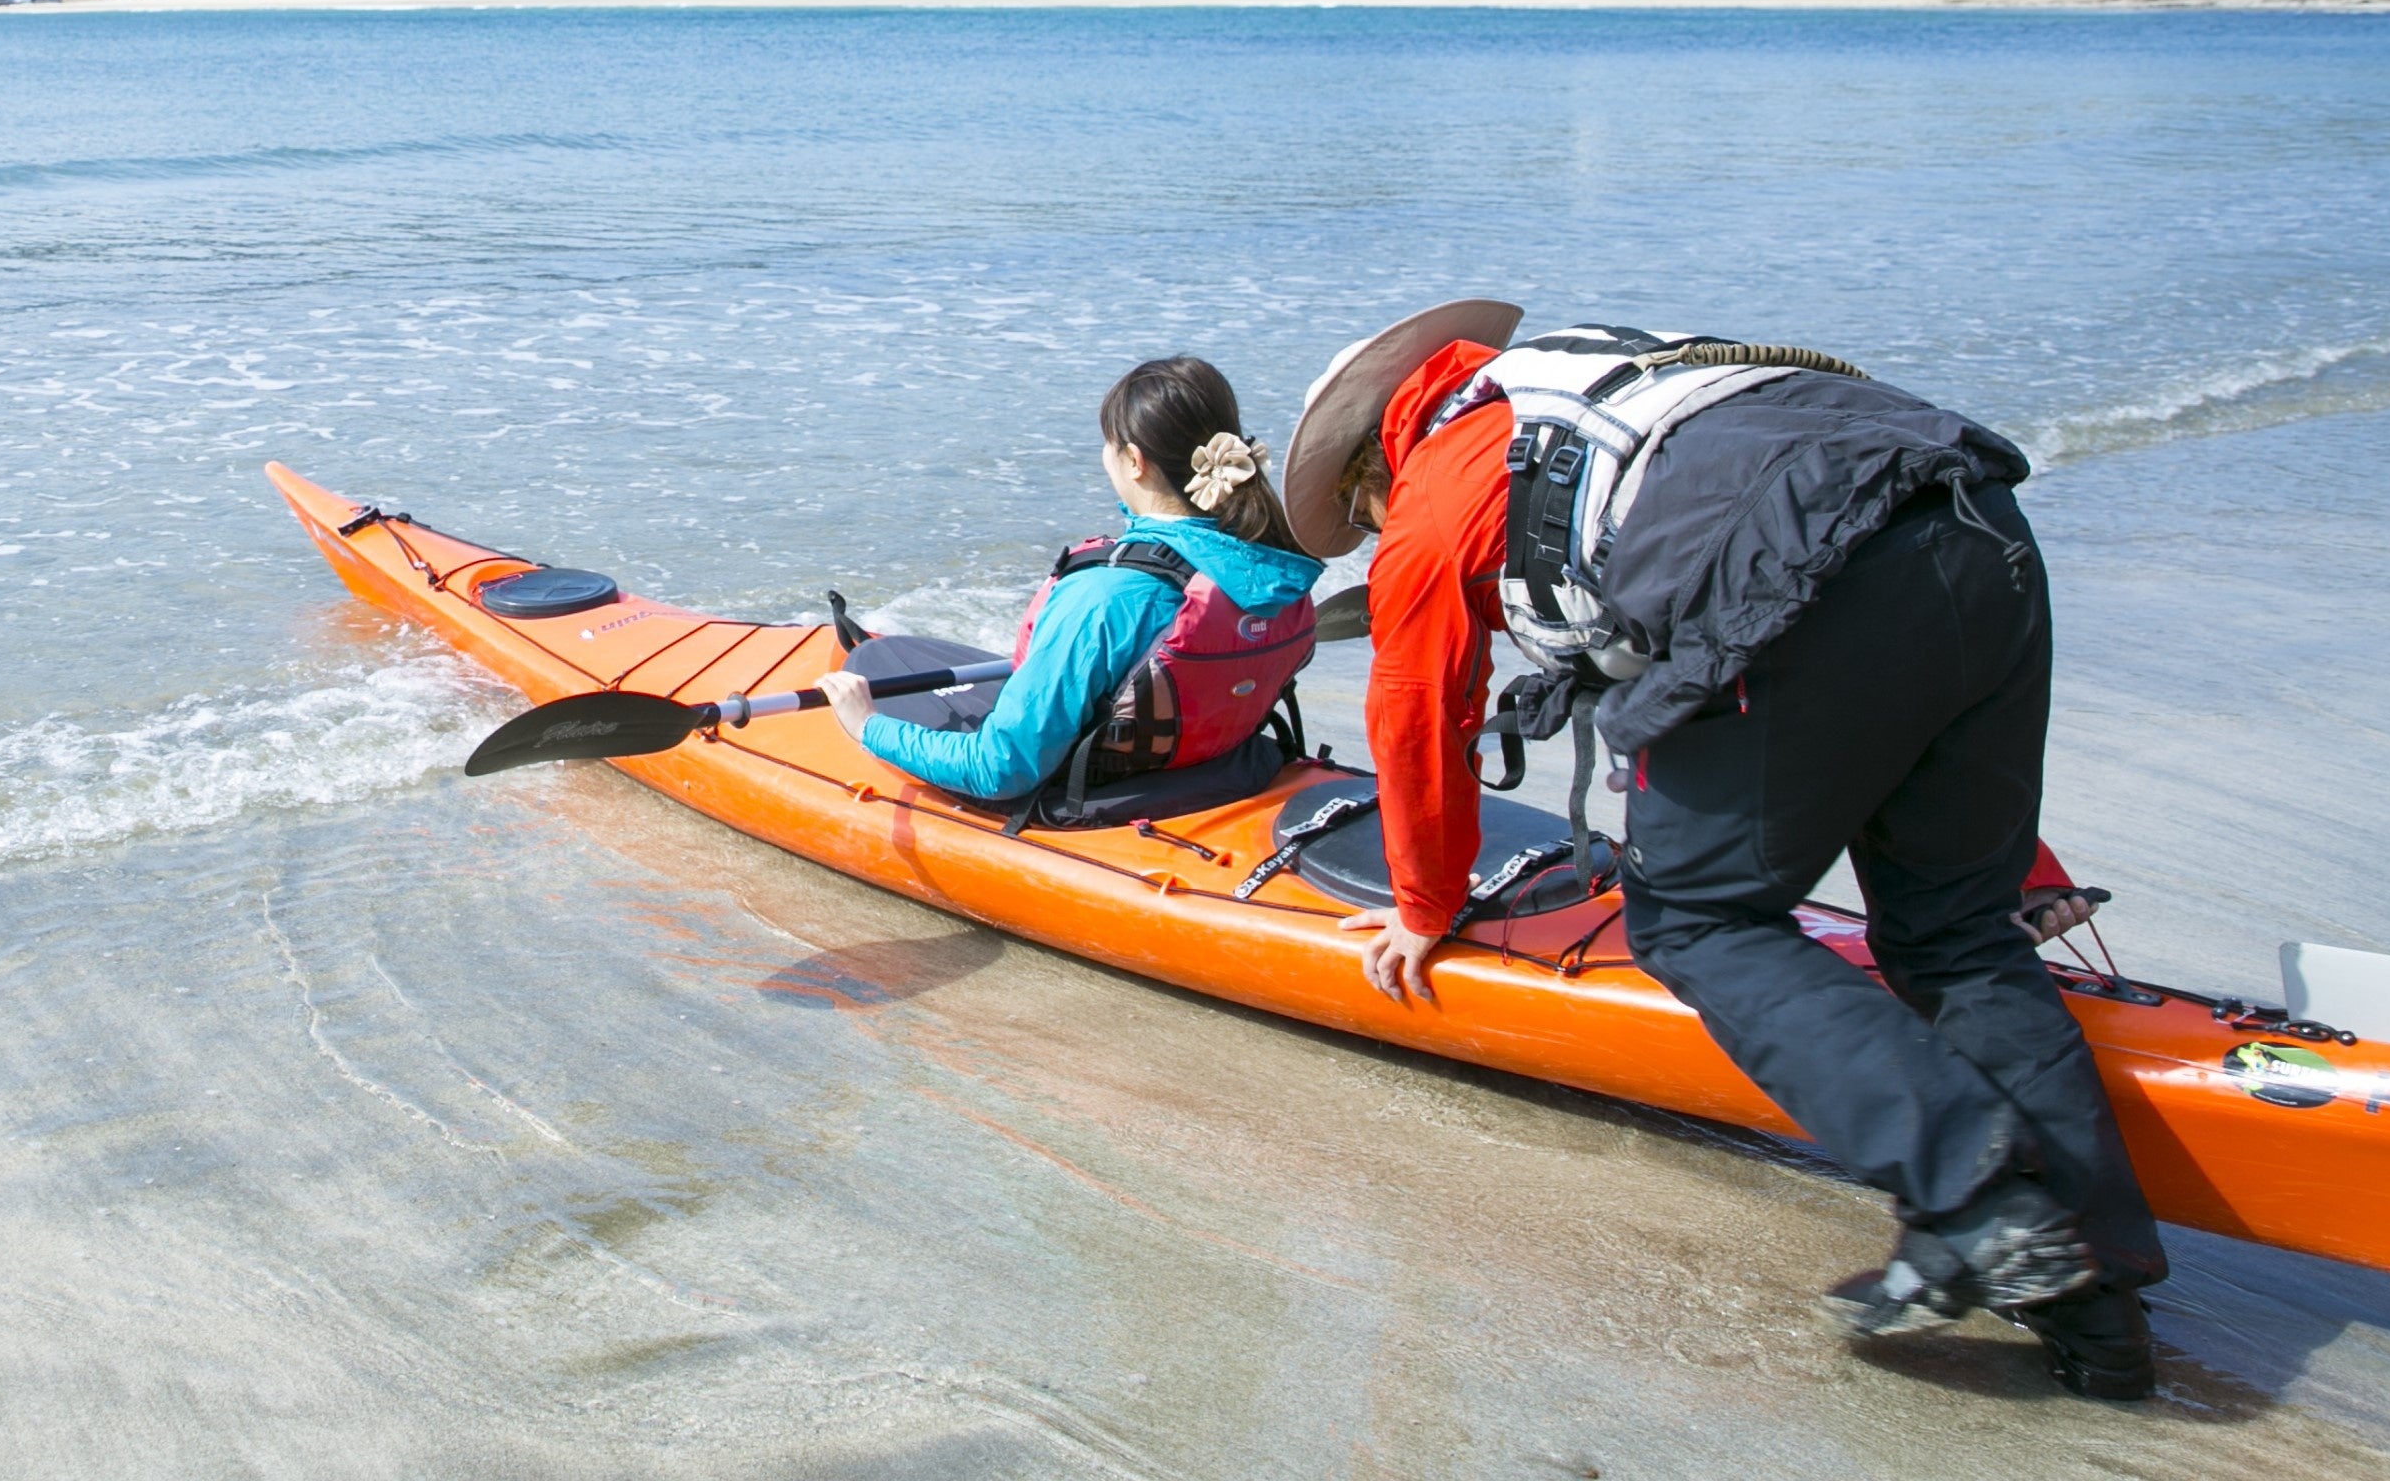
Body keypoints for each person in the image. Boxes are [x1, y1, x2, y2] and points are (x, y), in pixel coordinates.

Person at [1279, 302, 2166, 1401]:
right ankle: (2099, 1315)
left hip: (1819, 582)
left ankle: (1979, 1199)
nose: (1374, 531)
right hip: (1976, 520)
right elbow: (1880, 647)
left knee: (1698, 919)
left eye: (1360, 514)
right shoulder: (1614, 383)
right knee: (1955, 931)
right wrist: (2020, 868)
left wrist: (1422, 906)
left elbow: (1416, 714)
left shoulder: (1434, 488)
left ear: (1376, 461)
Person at [823, 356, 1320, 814]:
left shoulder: (1106, 595)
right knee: (888, 654)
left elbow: (1000, 769)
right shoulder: (1274, 569)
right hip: (1220, 763)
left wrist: (866, 724)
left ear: (1133, 460)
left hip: (1096, 786)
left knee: (867, 665)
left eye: (1108, 444)